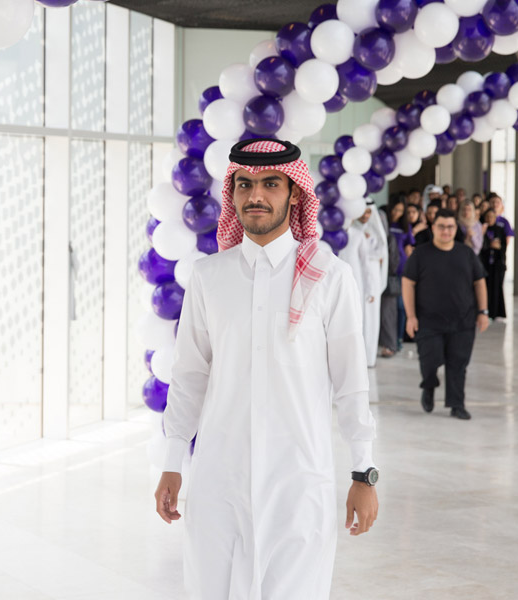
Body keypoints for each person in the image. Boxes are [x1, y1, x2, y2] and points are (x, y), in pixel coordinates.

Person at [155, 139, 379, 600]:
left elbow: (351, 383)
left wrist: (364, 472)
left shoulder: (329, 276)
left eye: (270, 184)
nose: (256, 195)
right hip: (220, 478)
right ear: (232, 193)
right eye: (245, 184)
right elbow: (189, 375)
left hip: (298, 480)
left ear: (294, 193)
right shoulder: (209, 277)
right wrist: (172, 464)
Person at [403, 209, 490, 420]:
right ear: (433, 228)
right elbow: (408, 284)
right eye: (441, 226)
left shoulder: (466, 253)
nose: (446, 231)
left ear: (455, 229)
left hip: (463, 320)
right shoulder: (420, 254)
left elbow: (479, 283)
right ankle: (429, 386)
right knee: (430, 360)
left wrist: (483, 312)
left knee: (458, 363)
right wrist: (411, 316)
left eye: (450, 227)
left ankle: (456, 404)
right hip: (428, 321)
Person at [341, 201, 388, 368]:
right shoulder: (341, 233)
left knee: (359, 319)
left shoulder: (361, 235)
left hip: (358, 282)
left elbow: (366, 264)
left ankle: (362, 358)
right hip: (341, 281)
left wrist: (369, 288)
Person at [384, 205, 415, 353]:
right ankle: (388, 339)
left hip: (402, 269)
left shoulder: (405, 226)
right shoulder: (385, 223)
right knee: (389, 307)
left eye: (400, 211)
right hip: (386, 270)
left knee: (401, 306)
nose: (397, 213)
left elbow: (410, 245)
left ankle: (399, 337)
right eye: (394, 209)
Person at [480, 208, 508, 320]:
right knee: (485, 287)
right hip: (485, 263)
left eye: (492, 217)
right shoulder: (482, 229)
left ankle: (496, 312)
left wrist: (498, 247)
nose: (490, 219)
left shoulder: (500, 230)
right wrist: (489, 246)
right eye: (487, 217)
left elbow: (503, 246)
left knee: (497, 287)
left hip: (497, 263)